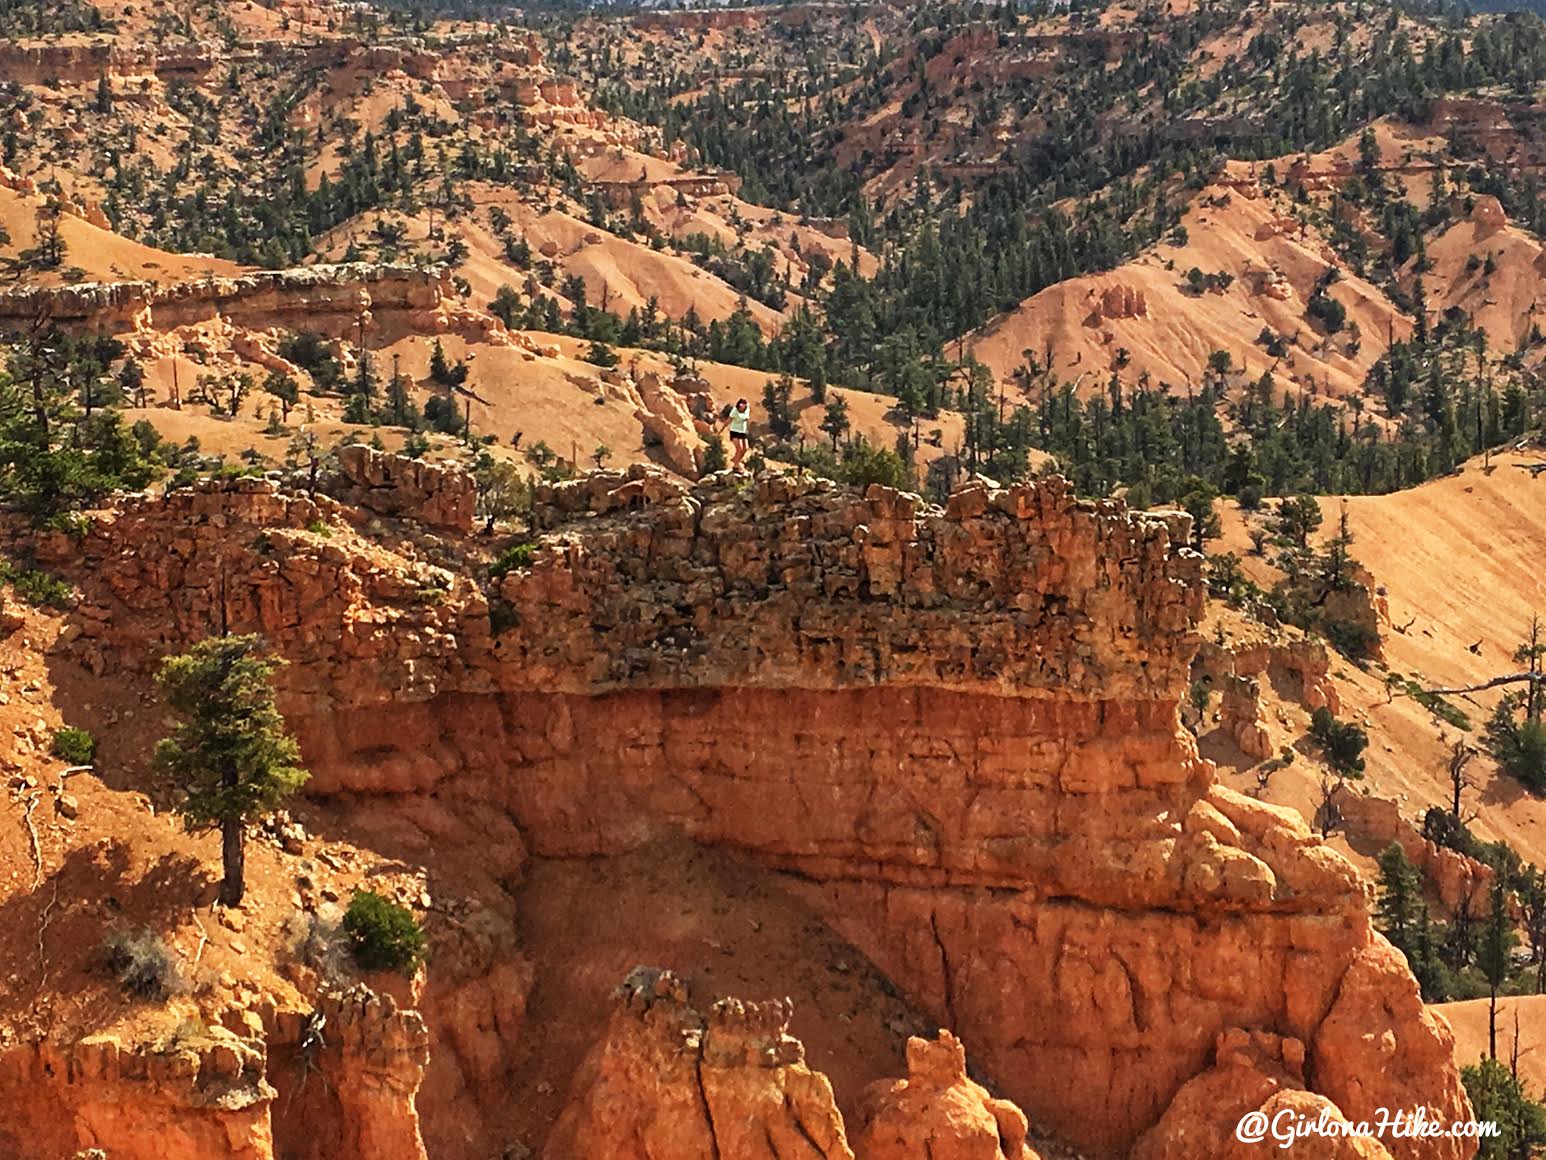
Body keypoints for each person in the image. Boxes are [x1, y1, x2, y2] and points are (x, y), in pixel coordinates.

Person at [723, 397, 752, 470]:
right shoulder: (735, 411)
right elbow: (729, 420)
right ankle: (736, 464)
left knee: (745, 448)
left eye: (743, 406)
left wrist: (748, 429)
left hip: (743, 432)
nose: (742, 407)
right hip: (735, 431)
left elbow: (747, 418)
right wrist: (722, 429)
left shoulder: (747, 410)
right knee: (739, 448)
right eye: (741, 405)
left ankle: (736, 460)